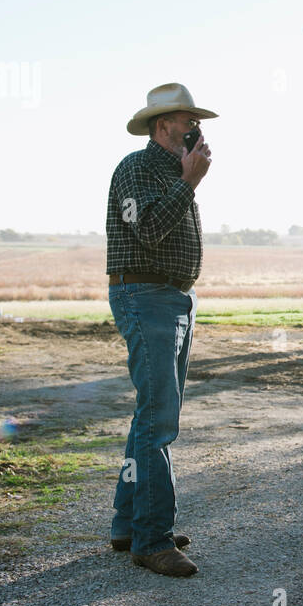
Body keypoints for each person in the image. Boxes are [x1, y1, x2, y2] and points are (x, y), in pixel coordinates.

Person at [104, 82, 216, 577]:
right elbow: (146, 230)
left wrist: (186, 179)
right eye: (185, 120)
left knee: (148, 416)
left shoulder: (172, 173)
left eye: (196, 121)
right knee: (159, 422)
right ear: (160, 125)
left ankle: (129, 523)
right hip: (144, 297)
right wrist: (189, 182)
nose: (195, 128)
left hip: (173, 299)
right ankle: (153, 538)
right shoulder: (137, 167)